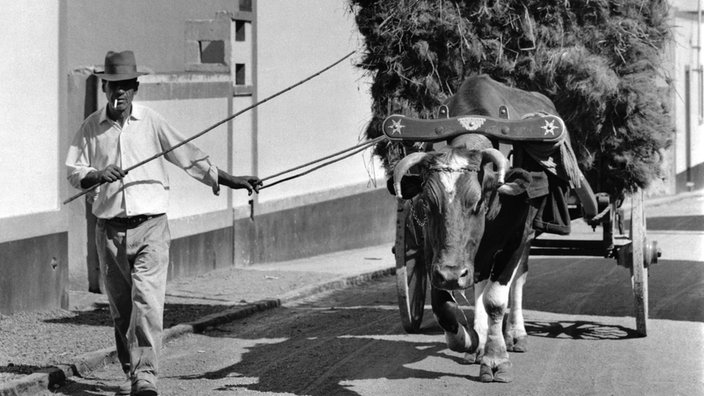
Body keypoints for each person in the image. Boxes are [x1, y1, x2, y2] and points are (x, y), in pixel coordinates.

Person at [65, 50, 262, 396]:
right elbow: (73, 171)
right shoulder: (90, 129)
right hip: (109, 232)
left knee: (147, 304)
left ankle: (145, 377)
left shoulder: (152, 123)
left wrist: (229, 180)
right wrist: (96, 174)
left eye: (125, 85)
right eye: (112, 86)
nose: (119, 93)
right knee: (122, 311)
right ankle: (133, 371)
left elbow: (189, 157)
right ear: (104, 88)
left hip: (152, 228)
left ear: (135, 87)